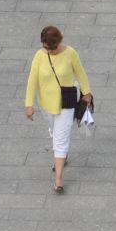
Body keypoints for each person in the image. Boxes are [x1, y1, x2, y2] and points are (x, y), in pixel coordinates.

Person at [25, 25, 92, 193]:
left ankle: (58, 179)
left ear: (59, 42)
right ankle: (61, 154)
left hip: (66, 104)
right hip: (46, 105)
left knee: (60, 141)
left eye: (53, 48)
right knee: (54, 131)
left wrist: (87, 93)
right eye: (47, 48)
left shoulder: (70, 53)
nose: (51, 51)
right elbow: (32, 80)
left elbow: (81, 73)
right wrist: (29, 104)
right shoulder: (39, 56)